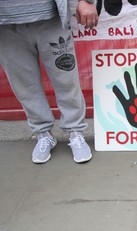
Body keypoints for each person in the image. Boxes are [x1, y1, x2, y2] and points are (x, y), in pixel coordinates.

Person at [0, 0, 99, 164]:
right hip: (5, 23)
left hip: (50, 15)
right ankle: (43, 134)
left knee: (66, 80)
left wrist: (86, 1)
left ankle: (75, 132)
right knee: (24, 86)